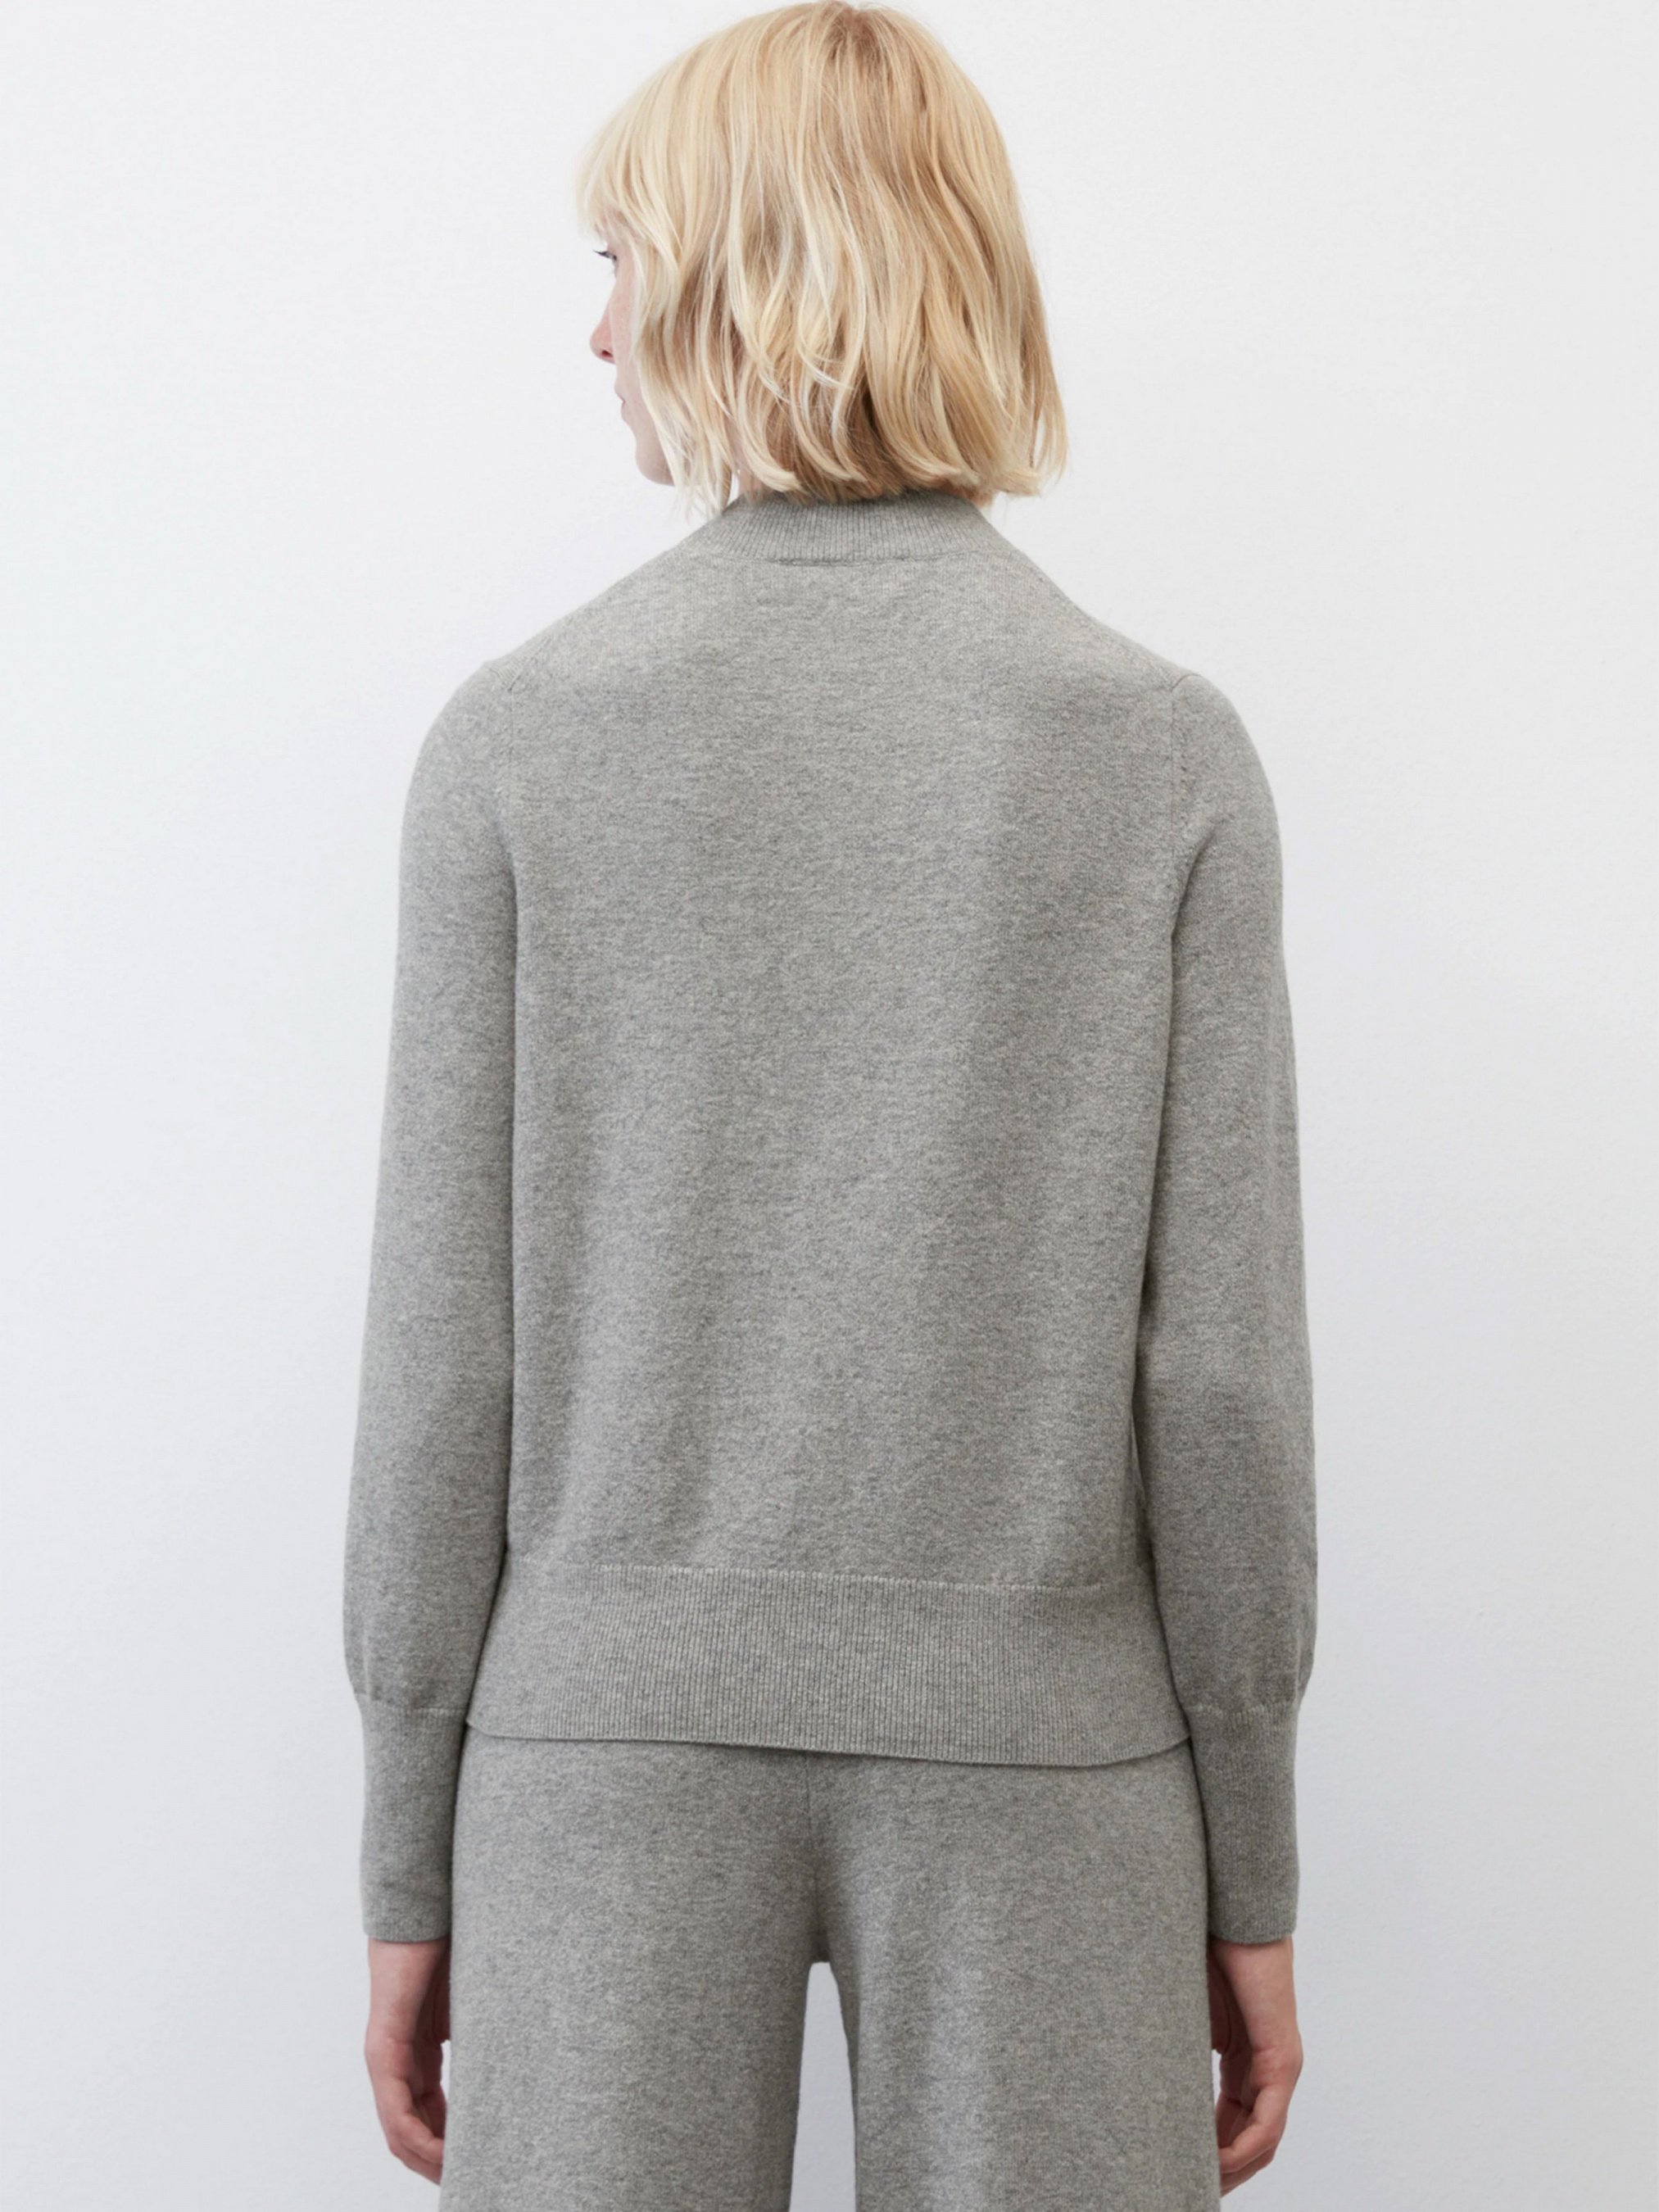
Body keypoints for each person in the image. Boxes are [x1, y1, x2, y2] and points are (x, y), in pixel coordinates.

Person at [342, 4, 1317, 2204]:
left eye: (624, 263)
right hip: (1051, 1754)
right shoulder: (1154, 751)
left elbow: (443, 1365)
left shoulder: (521, 740)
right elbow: (1221, 1385)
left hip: (595, 1754)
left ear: (736, 277)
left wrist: (408, 1838)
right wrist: (1250, 1852)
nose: (601, 334)